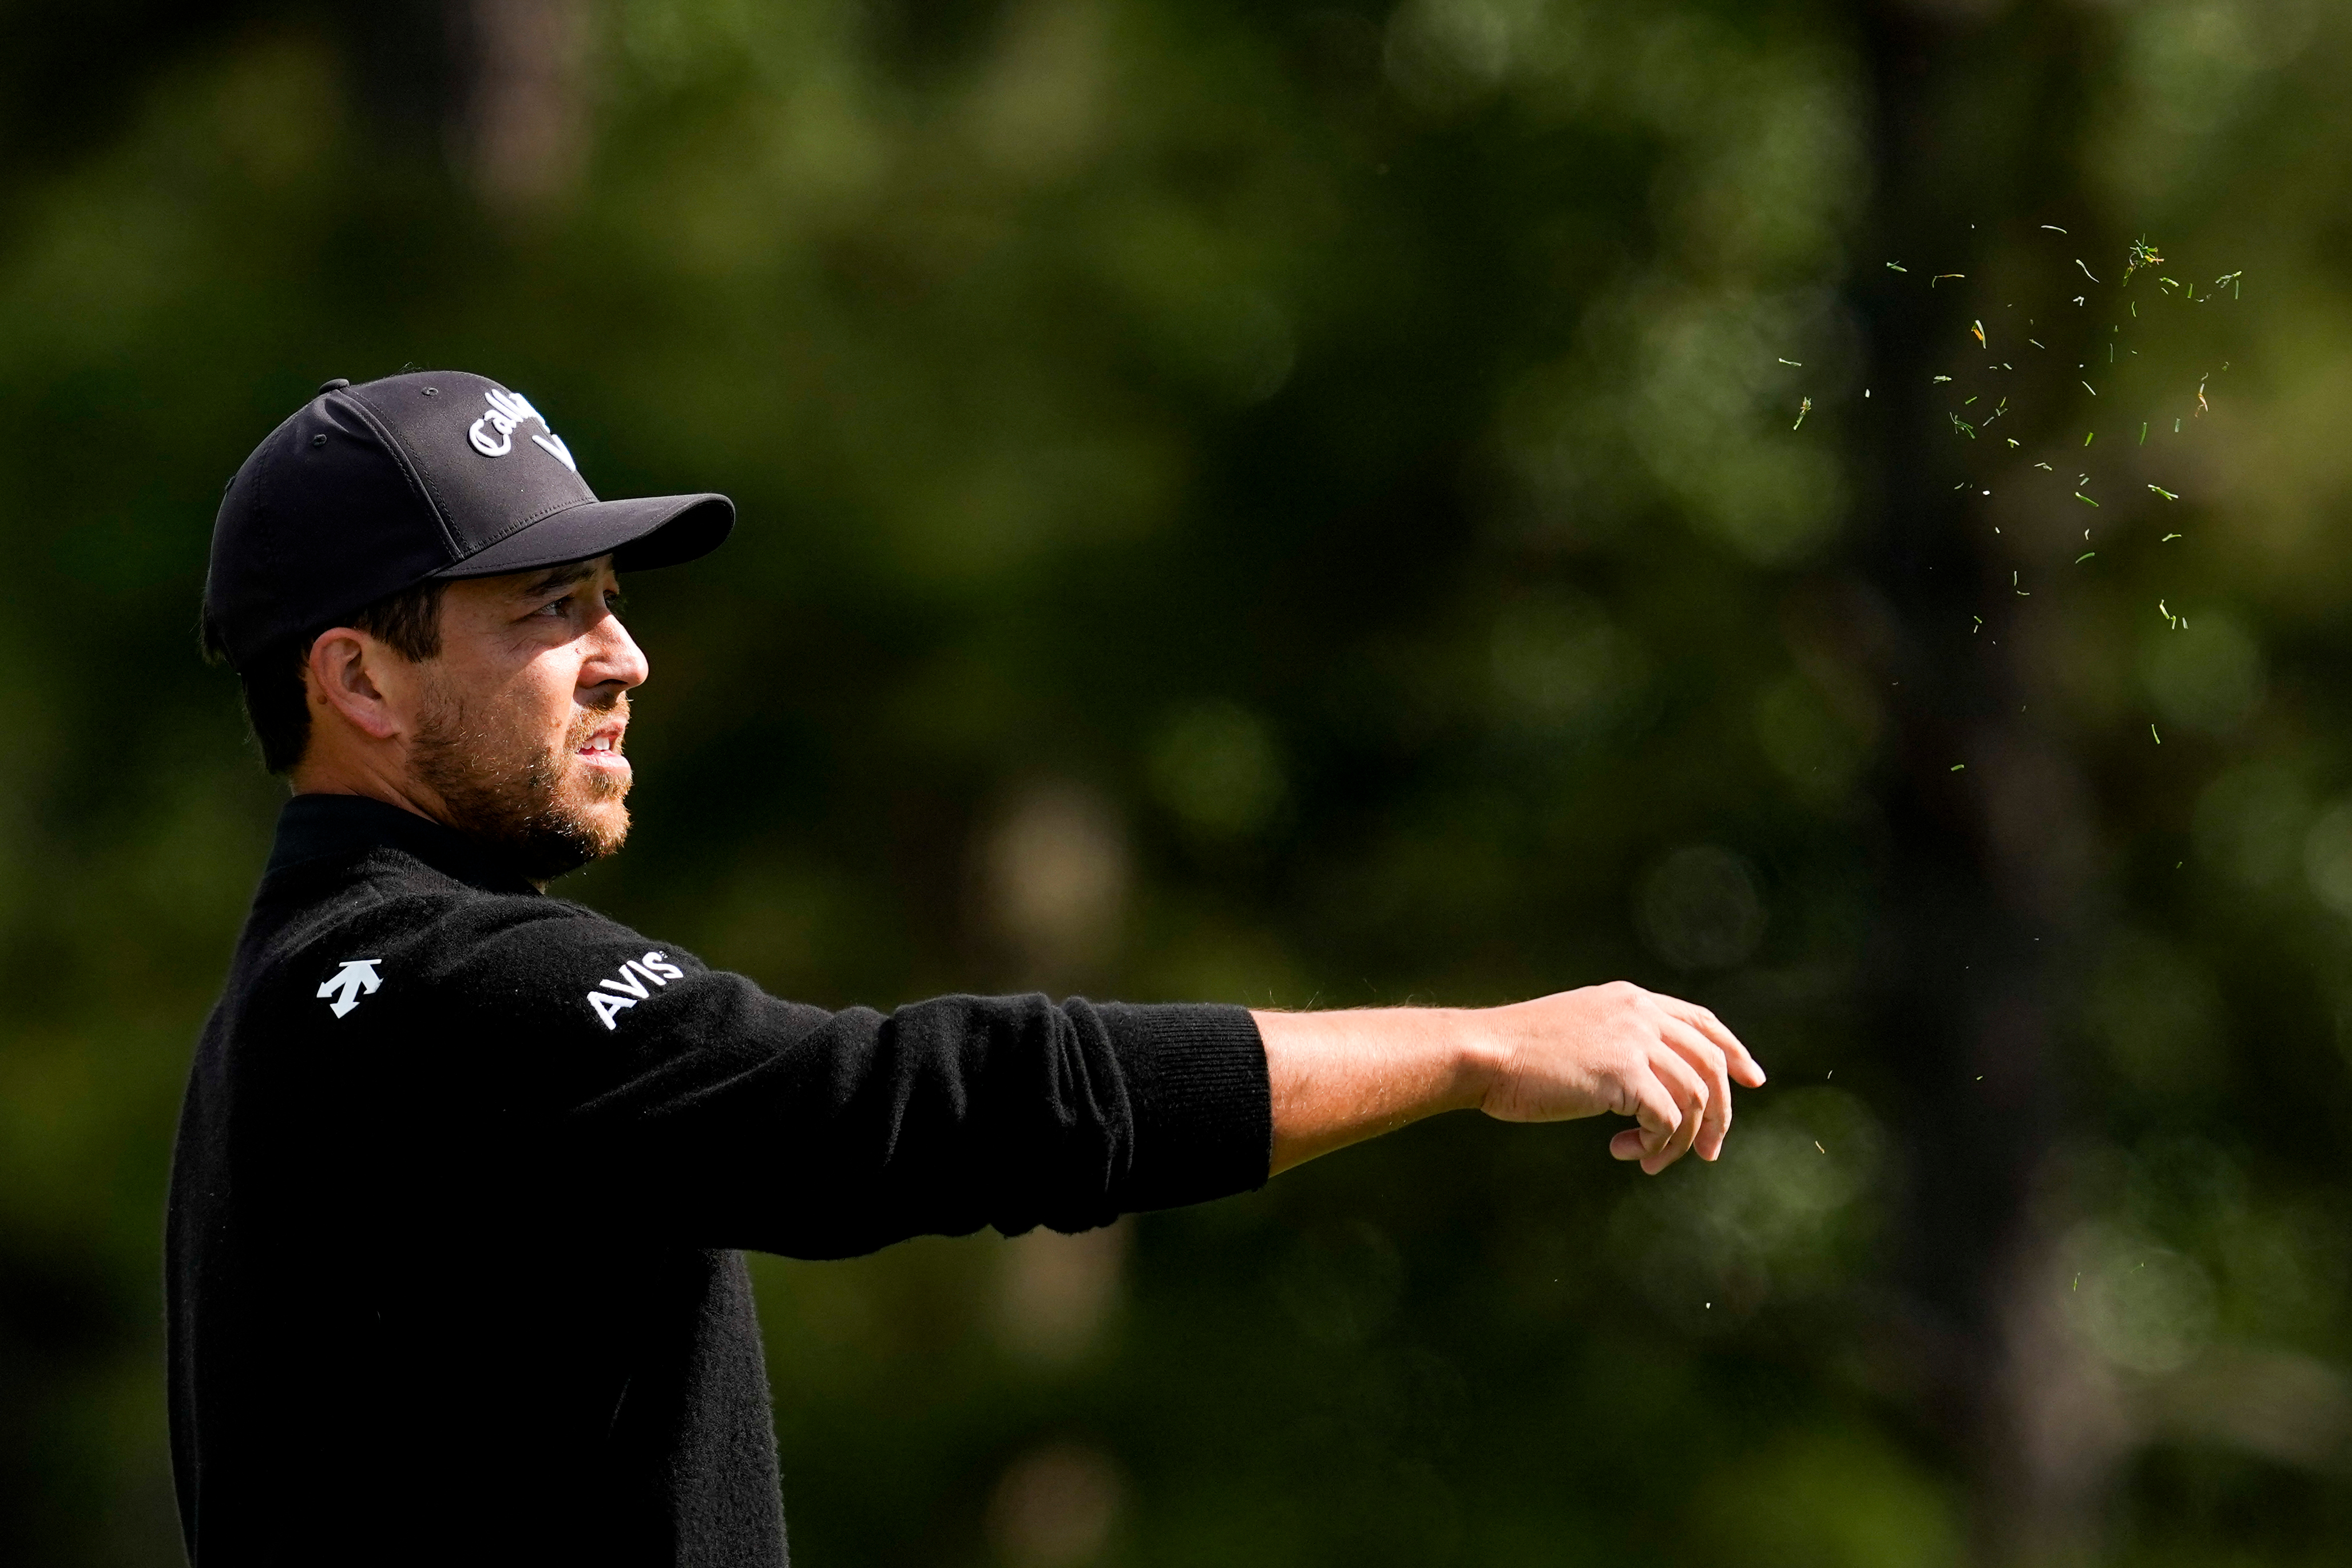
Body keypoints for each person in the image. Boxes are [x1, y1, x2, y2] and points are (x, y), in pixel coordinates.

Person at [172, 371, 1765, 1565]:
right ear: (359, 680)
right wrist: (1475, 1052)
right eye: (553, 609)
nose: (626, 659)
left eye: (613, 603)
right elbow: (917, 1110)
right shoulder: (458, 987)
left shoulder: (306, 1004)